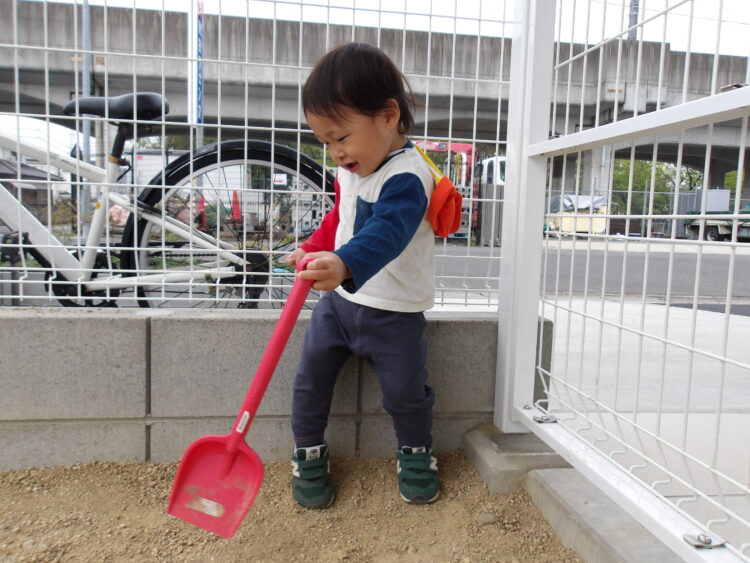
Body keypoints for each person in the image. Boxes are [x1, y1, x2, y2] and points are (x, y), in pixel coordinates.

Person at [286, 42, 439, 509]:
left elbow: (385, 233)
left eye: (341, 138)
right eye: (325, 143)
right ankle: (308, 452)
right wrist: (316, 247)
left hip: (395, 313)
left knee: (405, 393)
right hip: (339, 306)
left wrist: (345, 263)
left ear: (388, 116)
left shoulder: (408, 177)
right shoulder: (354, 169)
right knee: (309, 381)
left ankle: (416, 453)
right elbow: (343, 217)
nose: (335, 153)